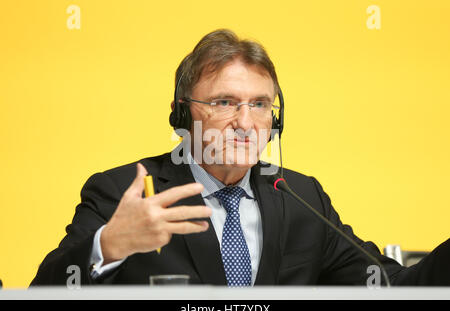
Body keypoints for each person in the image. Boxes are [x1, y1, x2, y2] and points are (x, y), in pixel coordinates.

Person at [30, 29, 449, 286]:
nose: (245, 123)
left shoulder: (302, 197)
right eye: (225, 102)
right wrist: (110, 245)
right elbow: (46, 291)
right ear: (182, 112)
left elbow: (393, 286)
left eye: (261, 104)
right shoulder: (125, 190)